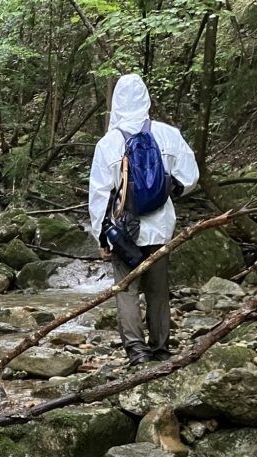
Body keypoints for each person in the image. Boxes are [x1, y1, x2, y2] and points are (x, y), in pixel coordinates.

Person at [88, 73, 199, 366]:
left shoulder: (108, 144)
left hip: (125, 232)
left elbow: (99, 195)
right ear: (146, 99)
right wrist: (169, 188)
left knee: (126, 292)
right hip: (161, 228)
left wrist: (101, 236)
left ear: (116, 104)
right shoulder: (168, 135)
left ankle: (136, 352)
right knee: (158, 292)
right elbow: (190, 177)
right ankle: (161, 349)